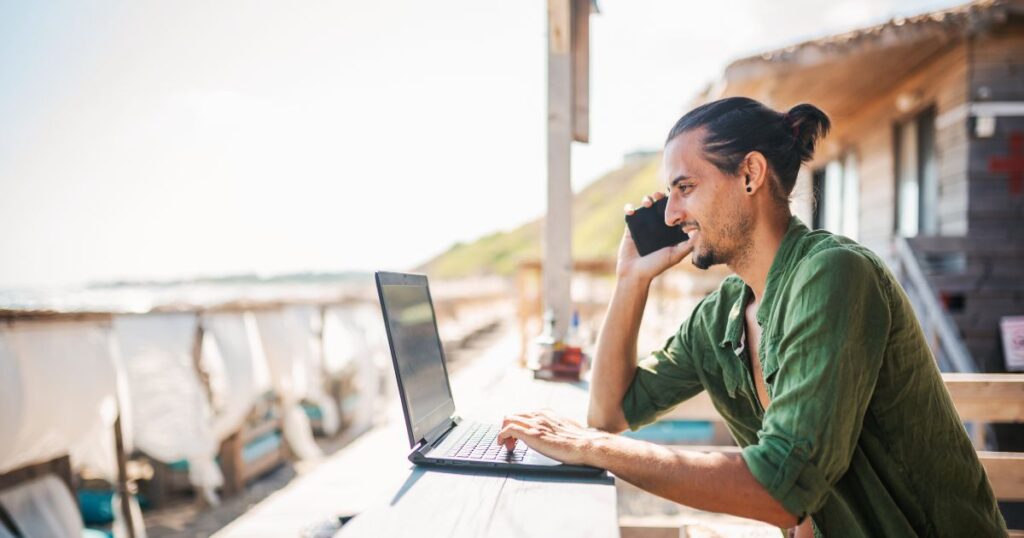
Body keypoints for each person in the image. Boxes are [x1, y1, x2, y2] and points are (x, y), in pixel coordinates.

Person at [496, 97, 1007, 536]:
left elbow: (783, 486)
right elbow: (610, 413)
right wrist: (631, 280)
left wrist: (591, 450)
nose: (671, 214)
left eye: (685, 187)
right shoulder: (721, 317)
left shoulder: (835, 276)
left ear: (750, 174)